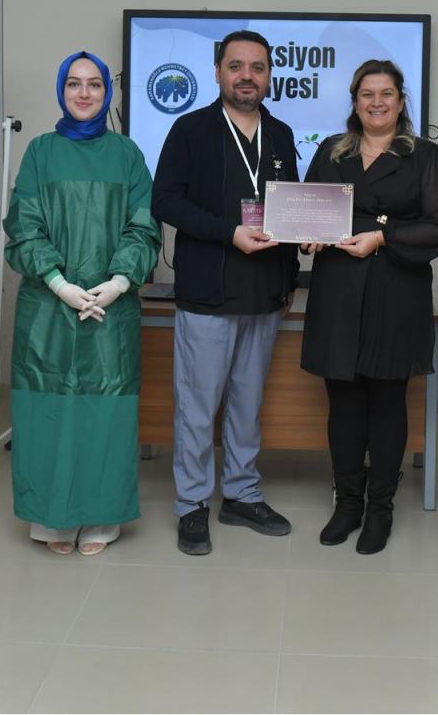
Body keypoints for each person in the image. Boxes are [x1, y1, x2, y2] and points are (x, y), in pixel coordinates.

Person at [4, 51, 160, 556]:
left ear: (107, 93)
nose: (85, 92)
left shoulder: (127, 154)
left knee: (105, 412)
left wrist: (117, 281)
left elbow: (143, 225)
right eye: (74, 83)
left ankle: (102, 515)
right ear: (62, 91)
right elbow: (23, 224)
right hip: (48, 307)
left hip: (111, 309)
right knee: (48, 410)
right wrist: (58, 282)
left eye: (94, 84)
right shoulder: (40, 152)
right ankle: (53, 517)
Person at [151, 30, 299, 555]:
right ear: (218, 72)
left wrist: (289, 274)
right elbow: (165, 201)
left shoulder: (280, 134)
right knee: (197, 406)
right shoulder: (190, 129)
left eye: (257, 67)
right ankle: (192, 504)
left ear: (269, 75)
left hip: (264, 294)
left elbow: (290, 208)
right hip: (208, 291)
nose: (246, 76)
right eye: (236, 66)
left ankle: (241, 494)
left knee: (247, 404)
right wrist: (228, 232)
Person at [299, 60, 438, 554]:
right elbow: (306, 212)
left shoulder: (424, 156)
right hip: (338, 292)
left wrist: (383, 237)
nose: (377, 102)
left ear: (401, 101)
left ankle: (380, 509)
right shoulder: (332, 150)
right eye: (367, 94)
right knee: (343, 403)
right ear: (354, 101)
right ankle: (347, 504)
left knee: (387, 404)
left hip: (396, 290)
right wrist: (306, 236)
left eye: (387, 93)